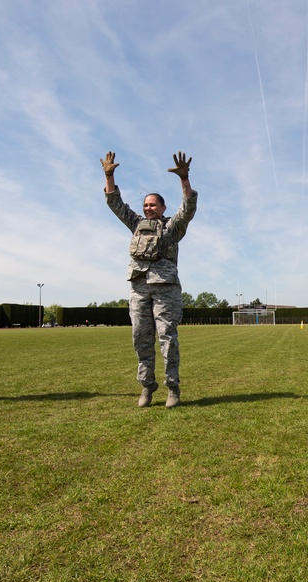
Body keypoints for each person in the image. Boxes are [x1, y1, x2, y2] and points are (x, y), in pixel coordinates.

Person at [101, 150, 197, 408]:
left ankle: (172, 389)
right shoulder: (136, 224)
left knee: (167, 338)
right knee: (140, 338)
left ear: (163, 208)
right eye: (146, 205)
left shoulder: (172, 227)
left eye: (153, 205)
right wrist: (109, 175)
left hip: (165, 290)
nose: (148, 208)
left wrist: (184, 180)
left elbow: (188, 208)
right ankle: (146, 387)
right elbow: (115, 204)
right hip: (139, 289)